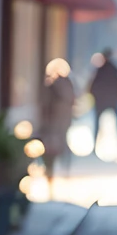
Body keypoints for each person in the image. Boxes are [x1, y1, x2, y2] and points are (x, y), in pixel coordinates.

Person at [36, 58, 77, 195]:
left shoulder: (51, 86)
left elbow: (44, 107)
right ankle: (62, 173)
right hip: (62, 123)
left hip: (52, 125)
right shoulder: (68, 84)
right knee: (60, 147)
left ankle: (51, 176)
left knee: (50, 153)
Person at [88, 49, 117, 155]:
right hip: (113, 101)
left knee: (97, 124)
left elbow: (92, 86)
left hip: (101, 101)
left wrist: (95, 96)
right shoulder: (115, 69)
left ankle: (95, 146)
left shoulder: (100, 70)